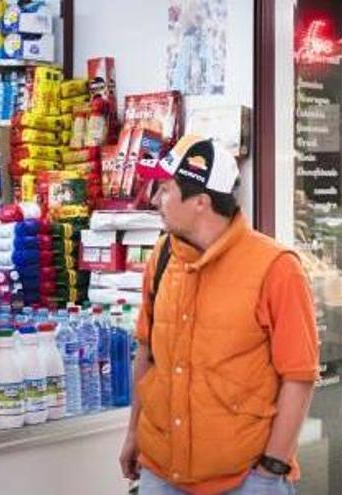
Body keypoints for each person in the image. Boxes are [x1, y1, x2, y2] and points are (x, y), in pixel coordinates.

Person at [118, 135, 320, 494]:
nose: (154, 199)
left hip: (245, 481)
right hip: (159, 473)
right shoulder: (162, 256)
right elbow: (147, 354)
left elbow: (299, 377)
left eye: (164, 189)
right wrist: (134, 433)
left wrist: (271, 468)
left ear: (200, 201)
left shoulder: (276, 268)